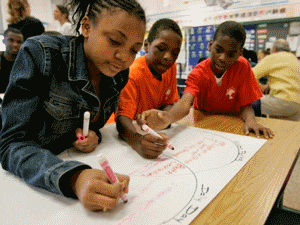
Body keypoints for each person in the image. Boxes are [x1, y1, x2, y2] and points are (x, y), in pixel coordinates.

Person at [0, 0, 146, 212]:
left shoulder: (118, 74)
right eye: (114, 41)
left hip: (67, 157)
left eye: (134, 50)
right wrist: (74, 177)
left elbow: (89, 122)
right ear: (86, 27)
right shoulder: (41, 55)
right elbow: (11, 144)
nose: (124, 57)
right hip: (24, 189)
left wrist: (94, 135)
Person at [138, 21, 274, 139]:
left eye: (231, 54)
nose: (222, 58)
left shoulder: (243, 66)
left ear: (240, 54)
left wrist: (251, 121)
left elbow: (246, 105)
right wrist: (167, 118)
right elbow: (186, 103)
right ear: (210, 45)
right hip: (203, 124)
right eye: (218, 50)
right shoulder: (199, 72)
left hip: (232, 123)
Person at [116, 18, 182, 159]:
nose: (167, 57)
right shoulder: (132, 74)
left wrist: (162, 117)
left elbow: (169, 103)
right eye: (161, 48)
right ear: (146, 45)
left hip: (152, 133)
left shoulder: (171, 68)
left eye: (175, 53)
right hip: (126, 137)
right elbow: (122, 120)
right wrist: (137, 142)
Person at [253, 39, 300, 121]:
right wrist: (268, 85)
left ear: (274, 49)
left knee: (248, 103)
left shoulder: (273, 57)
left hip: (281, 101)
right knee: (287, 129)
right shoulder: (294, 59)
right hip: (297, 104)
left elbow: (250, 75)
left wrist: (260, 88)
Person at [0, 27, 24, 93]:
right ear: (3, 41)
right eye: (11, 40)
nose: (15, 45)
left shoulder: (26, 63)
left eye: (19, 42)